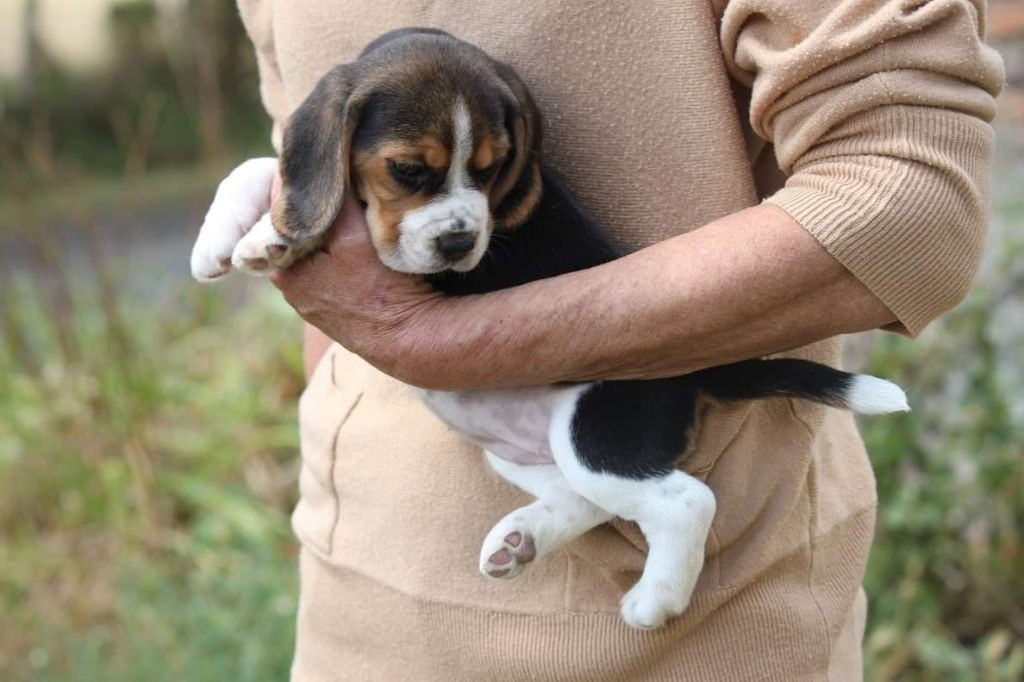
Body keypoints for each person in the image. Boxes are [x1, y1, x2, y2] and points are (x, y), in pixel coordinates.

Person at [235, 1, 1004, 679]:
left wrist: (446, 343)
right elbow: (317, 211)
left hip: (702, 631)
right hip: (359, 616)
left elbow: (912, 199)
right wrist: (324, 500)